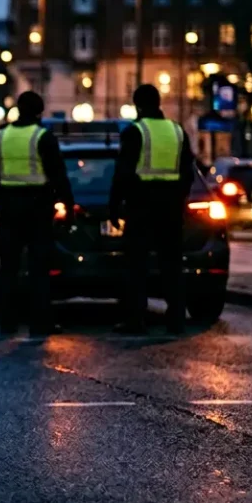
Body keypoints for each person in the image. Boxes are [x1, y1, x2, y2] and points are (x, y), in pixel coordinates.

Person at [0, 91, 75, 335]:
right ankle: (40, 323)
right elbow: (58, 175)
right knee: (39, 268)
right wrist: (68, 206)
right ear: (39, 112)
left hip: (9, 209)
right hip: (38, 210)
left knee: (8, 268)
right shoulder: (43, 137)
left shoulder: (1, 136)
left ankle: (7, 321)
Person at [108, 84, 197, 334]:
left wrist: (115, 207)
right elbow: (188, 171)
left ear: (137, 105)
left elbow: (123, 173)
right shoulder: (177, 131)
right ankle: (176, 318)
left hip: (141, 207)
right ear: (159, 103)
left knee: (136, 266)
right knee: (172, 264)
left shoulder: (135, 132)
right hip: (170, 208)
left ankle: (135, 320)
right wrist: (179, 197)